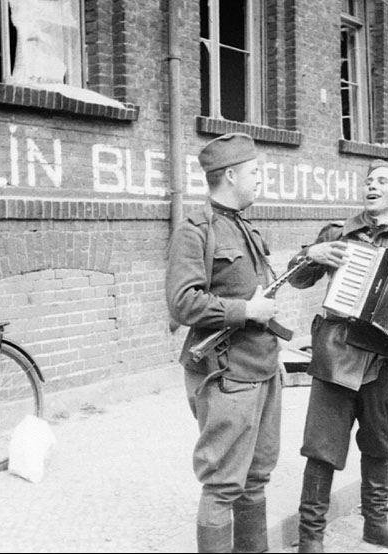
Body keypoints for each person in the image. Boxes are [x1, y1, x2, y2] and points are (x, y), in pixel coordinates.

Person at [286, 159, 388, 553]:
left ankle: (376, 524)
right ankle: (311, 538)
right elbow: (297, 278)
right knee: (322, 447)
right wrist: (313, 253)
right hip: (337, 352)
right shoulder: (338, 233)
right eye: (369, 181)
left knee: (380, 442)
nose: (372, 186)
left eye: (382, 181)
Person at [165, 132, 282, 553]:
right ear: (231, 175)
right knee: (222, 484)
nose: (260, 179)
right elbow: (182, 303)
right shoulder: (194, 232)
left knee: (256, 477)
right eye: (255, 172)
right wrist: (245, 312)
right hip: (226, 374)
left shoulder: (243, 228)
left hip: (263, 369)